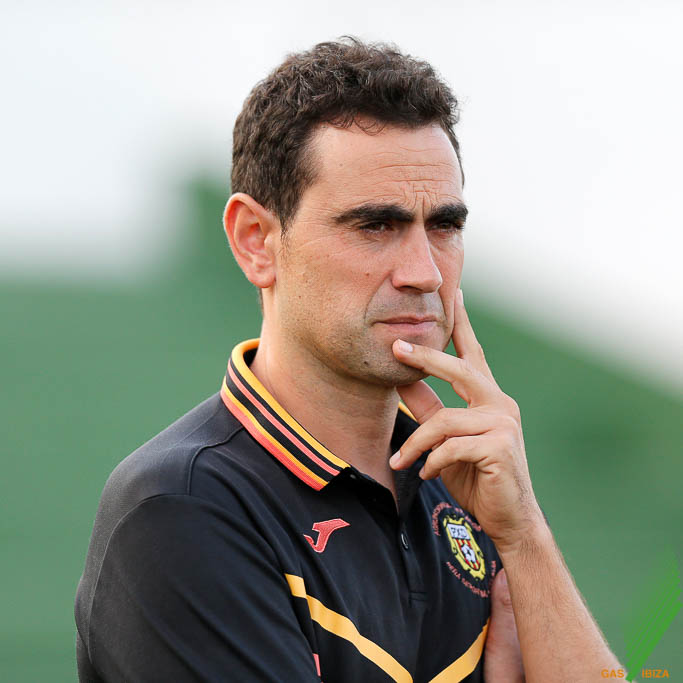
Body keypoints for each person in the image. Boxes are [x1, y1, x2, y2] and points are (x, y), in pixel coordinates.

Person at [75, 37, 623, 682]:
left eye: (444, 226)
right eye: (375, 226)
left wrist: (524, 534)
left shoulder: (471, 482)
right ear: (256, 241)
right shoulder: (184, 506)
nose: (424, 272)